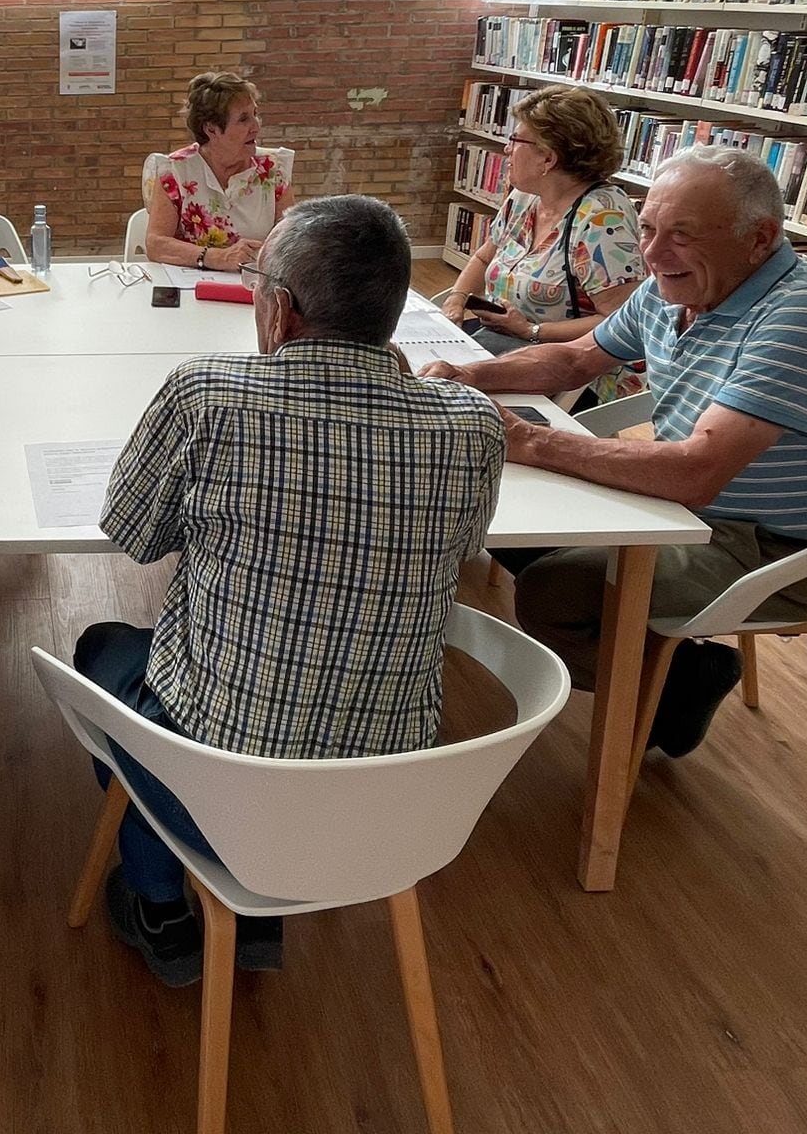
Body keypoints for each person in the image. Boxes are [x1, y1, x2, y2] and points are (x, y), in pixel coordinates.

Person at [83, 195, 506, 987]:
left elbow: (134, 535)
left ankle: (160, 902)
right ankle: (252, 910)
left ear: (276, 309)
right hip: (386, 800)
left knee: (102, 650)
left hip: (214, 798)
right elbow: (459, 552)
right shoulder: (472, 425)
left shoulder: (207, 396)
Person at [421, 145, 807, 757]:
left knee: (555, 591)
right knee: (508, 529)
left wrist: (528, 440)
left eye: (682, 234)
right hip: (697, 513)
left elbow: (697, 472)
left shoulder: (804, 315)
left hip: (779, 548)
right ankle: (659, 670)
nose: (652, 251)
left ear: (760, 238)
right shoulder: (677, 285)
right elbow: (577, 357)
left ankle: (680, 686)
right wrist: (468, 377)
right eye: (647, 228)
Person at [441, 86, 647, 402]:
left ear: (548, 157)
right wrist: (456, 300)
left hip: (575, 371)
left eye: (516, 140)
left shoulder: (603, 219)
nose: (507, 150)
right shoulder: (523, 199)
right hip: (504, 344)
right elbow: (484, 257)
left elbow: (620, 322)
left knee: (447, 395)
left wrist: (531, 331)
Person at [140, 71, 293, 272]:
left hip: (251, 289)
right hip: (189, 290)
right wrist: (216, 257)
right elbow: (156, 244)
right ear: (211, 129)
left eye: (255, 114)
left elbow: (290, 242)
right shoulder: (175, 171)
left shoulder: (273, 169)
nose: (256, 127)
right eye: (243, 119)